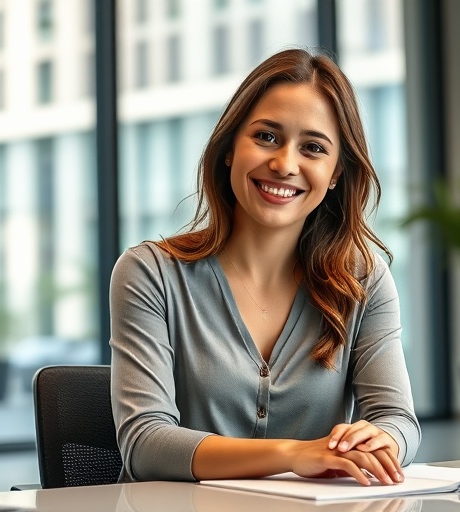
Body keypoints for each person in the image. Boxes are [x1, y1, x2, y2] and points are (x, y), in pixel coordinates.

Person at [109, 47, 420, 485]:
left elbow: (397, 420)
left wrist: (379, 440)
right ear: (230, 148)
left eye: (313, 148)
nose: (284, 164)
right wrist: (293, 455)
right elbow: (145, 443)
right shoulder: (150, 273)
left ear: (335, 174)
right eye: (267, 137)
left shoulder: (363, 280)